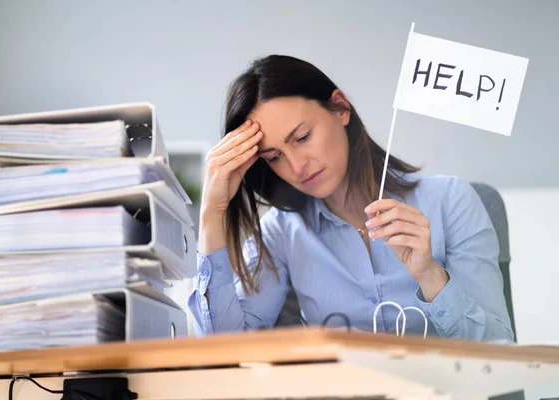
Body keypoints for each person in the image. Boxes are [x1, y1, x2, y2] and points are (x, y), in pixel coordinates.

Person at [187, 54, 514, 341]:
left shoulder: (451, 200)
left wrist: (430, 275)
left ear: (340, 108)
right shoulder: (281, 232)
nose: (297, 166)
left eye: (302, 137)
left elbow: (499, 351)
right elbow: (224, 350)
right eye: (274, 157)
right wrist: (211, 215)